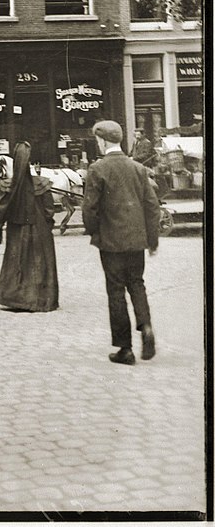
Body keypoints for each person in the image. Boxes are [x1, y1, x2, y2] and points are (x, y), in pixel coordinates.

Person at [82, 120, 160, 365]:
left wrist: (95, 233)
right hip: (137, 240)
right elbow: (152, 206)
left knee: (115, 291)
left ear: (103, 141)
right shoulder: (137, 168)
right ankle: (146, 326)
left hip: (111, 242)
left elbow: (89, 209)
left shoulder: (97, 169)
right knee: (137, 283)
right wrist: (152, 239)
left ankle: (125, 349)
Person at [0, 141, 58, 312]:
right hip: (39, 229)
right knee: (39, 263)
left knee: (18, 261)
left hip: (16, 230)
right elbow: (49, 209)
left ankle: (16, 297)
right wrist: (47, 224)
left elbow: (1, 210)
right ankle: (41, 298)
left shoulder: (8, 186)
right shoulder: (41, 184)